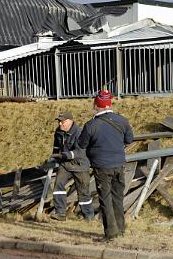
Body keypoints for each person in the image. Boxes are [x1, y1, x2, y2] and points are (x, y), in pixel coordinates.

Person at [77, 89, 134, 241]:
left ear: (96, 105)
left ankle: (110, 233)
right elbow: (129, 139)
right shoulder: (122, 120)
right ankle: (121, 230)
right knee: (118, 198)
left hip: (102, 167)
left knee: (106, 199)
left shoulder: (91, 125)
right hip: (119, 165)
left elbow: (81, 144)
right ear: (110, 104)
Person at [48, 111, 93, 221]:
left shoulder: (80, 133)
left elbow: (81, 152)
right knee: (58, 185)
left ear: (70, 122)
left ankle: (88, 216)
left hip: (80, 165)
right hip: (65, 164)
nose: (60, 124)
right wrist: (54, 157)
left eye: (62, 122)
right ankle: (60, 213)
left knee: (83, 191)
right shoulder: (58, 132)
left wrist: (66, 155)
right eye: (59, 121)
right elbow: (56, 148)